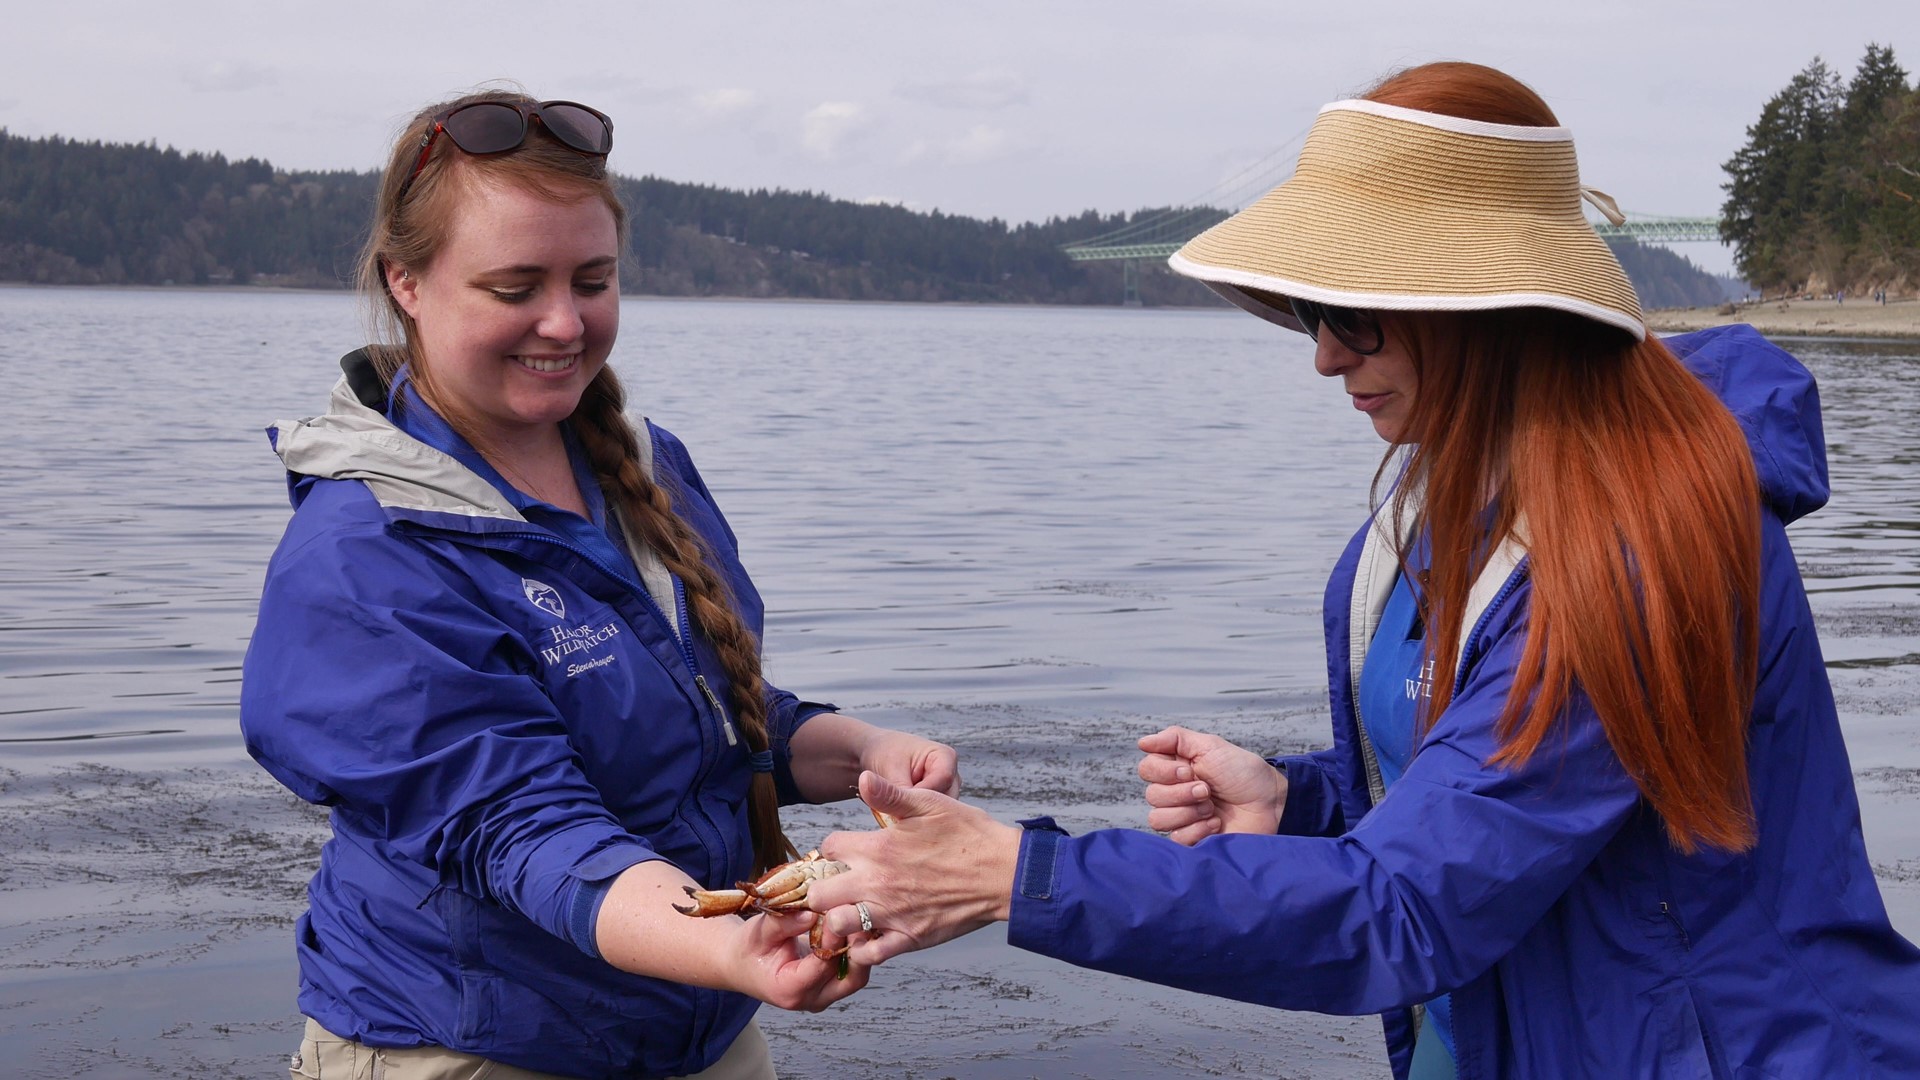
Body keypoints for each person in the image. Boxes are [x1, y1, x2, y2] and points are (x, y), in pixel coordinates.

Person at [803, 62, 1920, 1078]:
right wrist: (1302, 800)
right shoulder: (1453, 504)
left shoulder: (1636, 549)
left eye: (1352, 314)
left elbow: (1410, 908)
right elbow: (1476, 791)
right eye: (1307, 315)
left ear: (1488, 311)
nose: (1326, 354)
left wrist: (1017, 876)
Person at [239, 89, 958, 1080]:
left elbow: (703, 711)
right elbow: (518, 827)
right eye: (515, 285)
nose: (564, 321)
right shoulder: (363, 550)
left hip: (695, 1028)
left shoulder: (645, 465)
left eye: (593, 279)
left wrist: (864, 752)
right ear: (407, 282)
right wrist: (723, 946)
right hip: (466, 1044)